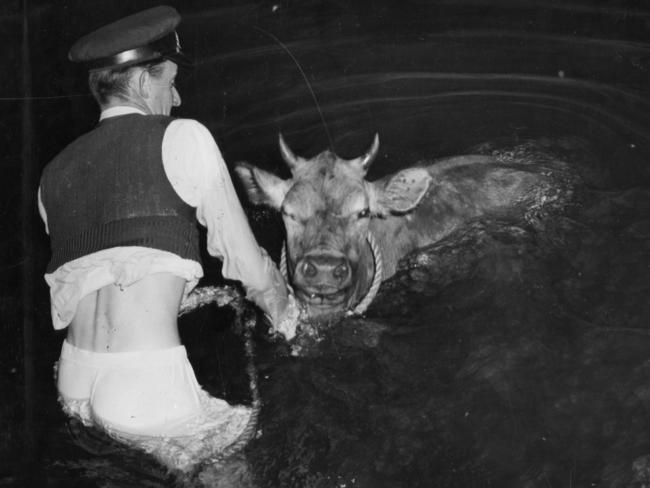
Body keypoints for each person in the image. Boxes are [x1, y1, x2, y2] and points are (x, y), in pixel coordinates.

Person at [37, 5, 299, 453]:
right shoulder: (183, 137)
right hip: (145, 388)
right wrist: (289, 317)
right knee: (241, 470)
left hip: (74, 380)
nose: (176, 99)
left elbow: (114, 270)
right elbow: (249, 266)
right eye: (170, 82)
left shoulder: (51, 176)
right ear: (142, 82)